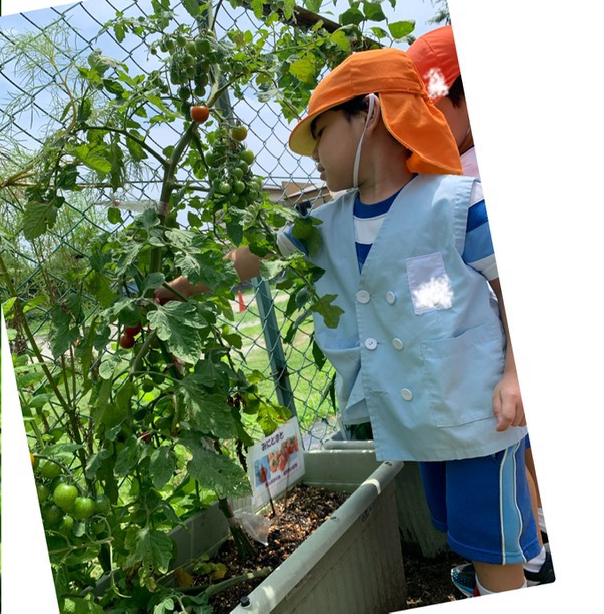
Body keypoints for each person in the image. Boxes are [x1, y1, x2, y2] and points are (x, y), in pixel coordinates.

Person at [165, 49, 536, 595]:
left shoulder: (456, 203)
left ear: (371, 113)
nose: (313, 153)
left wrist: (516, 374)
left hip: (481, 414)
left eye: (319, 131)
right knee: (463, 530)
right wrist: (172, 290)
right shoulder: (324, 224)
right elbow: (246, 259)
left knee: (494, 543)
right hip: (425, 422)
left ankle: (504, 588)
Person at [409, 27, 554, 590]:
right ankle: (532, 551)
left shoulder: (462, 175)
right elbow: (431, 295)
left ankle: (529, 560)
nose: (427, 118)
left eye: (436, 102)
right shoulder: (442, 169)